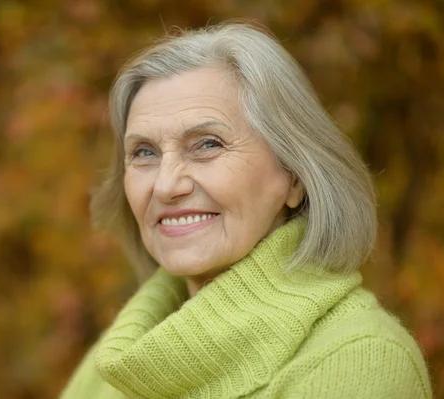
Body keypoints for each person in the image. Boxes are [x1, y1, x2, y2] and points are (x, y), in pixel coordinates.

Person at [60, 23, 432, 398]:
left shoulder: (360, 361)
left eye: (207, 144)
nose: (166, 185)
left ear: (294, 176)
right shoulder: (116, 362)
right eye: (144, 152)